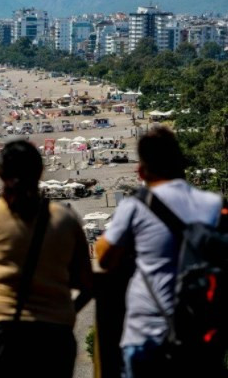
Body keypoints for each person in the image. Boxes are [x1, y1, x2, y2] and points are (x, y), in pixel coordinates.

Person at [96, 127, 225, 377]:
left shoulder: (136, 205)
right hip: (202, 330)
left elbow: (104, 256)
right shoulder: (214, 205)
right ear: (181, 164)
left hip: (148, 330)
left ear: (141, 170)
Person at [0, 140, 92, 378]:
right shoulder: (66, 219)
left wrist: (5, 261)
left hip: (3, 329)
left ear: (0, 173)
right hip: (55, 334)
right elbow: (84, 279)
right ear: (40, 172)